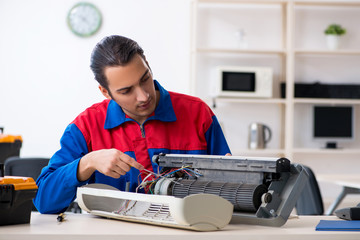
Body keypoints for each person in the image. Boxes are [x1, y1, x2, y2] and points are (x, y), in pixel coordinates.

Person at [34, 35, 231, 214]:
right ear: (105, 92)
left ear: (148, 65)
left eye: (145, 79)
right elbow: (44, 201)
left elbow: (229, 190)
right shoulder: (86, 127)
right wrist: (87, 163)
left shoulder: (198, 114)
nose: (144, 96)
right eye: (126, 91)